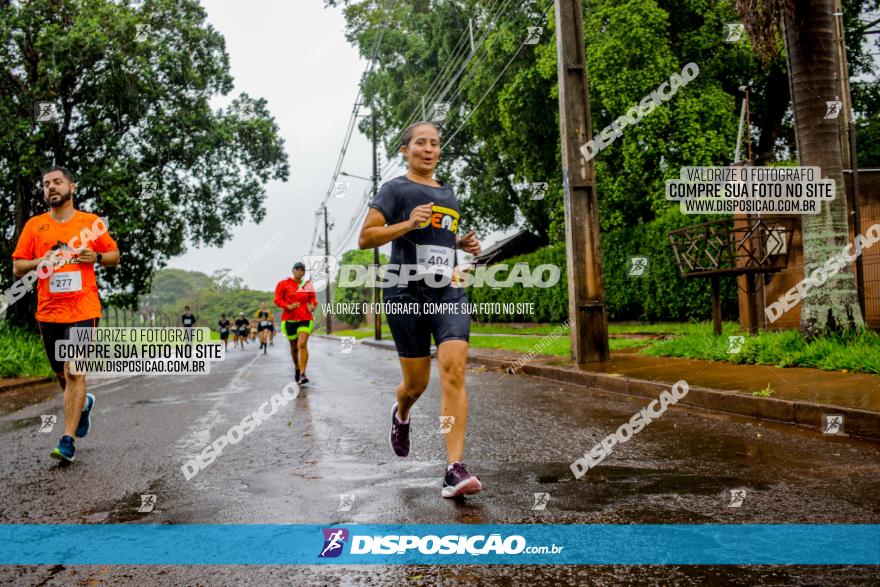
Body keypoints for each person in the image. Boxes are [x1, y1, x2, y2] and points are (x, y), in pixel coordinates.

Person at [357, 121, 483, 498]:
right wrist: (408, 222)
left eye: (435, 144)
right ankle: (401, 413)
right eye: (420, 143)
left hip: (447, 290)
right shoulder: (394, 189)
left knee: (454, 369)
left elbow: (438, 238)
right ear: (405, 150)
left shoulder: (449, 193)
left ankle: (453, 469)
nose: (429, 149)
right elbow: (366, 237)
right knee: (416, 384)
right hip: (405, 291)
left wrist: (461, 242)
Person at [11, 166, 120, 462]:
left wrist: (96, 256)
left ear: (71, 186)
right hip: (49, 312)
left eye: (57, 182)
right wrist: (39, 262)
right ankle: (82, 404)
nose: (51, 188)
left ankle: (67, 440)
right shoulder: (35, 226)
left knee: (75, 370)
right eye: (46, 184)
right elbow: (17, 267)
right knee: (61, 375)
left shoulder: (91, 223)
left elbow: (114, 256)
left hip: (84, 308)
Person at [274, 262, 317, 384]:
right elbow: (277, 300)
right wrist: (288, 306)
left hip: (305, 318)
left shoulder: (307, 285)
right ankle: (297, 367)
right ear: (293, 271)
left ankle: (303, 374)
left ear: (304, 273)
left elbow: (312, 298)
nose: (300, 272)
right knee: (294, 348)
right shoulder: (283, 284)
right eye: (297, 269)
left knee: (302, 344)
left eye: (302, 270)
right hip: (289, 319)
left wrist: (313, 305)